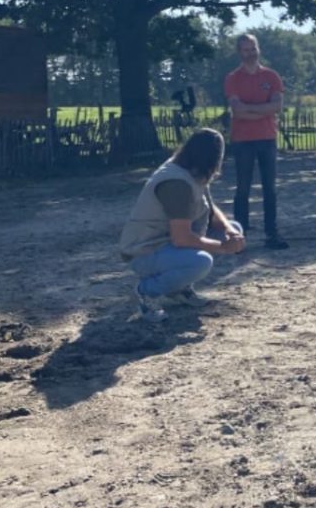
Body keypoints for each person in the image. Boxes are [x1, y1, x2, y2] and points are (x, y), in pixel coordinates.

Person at [119, 128, 246, 323]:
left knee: (234, 228)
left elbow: (211, 210)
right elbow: (182, 238)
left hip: (167, 242)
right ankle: (147, 292)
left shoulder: (191, 171)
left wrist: (229, 231)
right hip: (145, 250)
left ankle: (180, 288)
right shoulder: (177, 183)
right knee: (201, 261)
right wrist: (223, 247)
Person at [224, 33, 289, 249]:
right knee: (242, 188)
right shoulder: (233, 78)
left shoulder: (272, 76)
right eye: (245, 50)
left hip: (267, 138)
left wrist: (249, 109)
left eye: (253, 49)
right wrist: (264, 110)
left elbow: (277, 107)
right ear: (239, 52)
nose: (250, 53)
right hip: (242, 139)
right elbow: (237, 111)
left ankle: (272, 232)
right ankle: (238, 235)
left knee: (270, 188)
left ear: (258, 49)